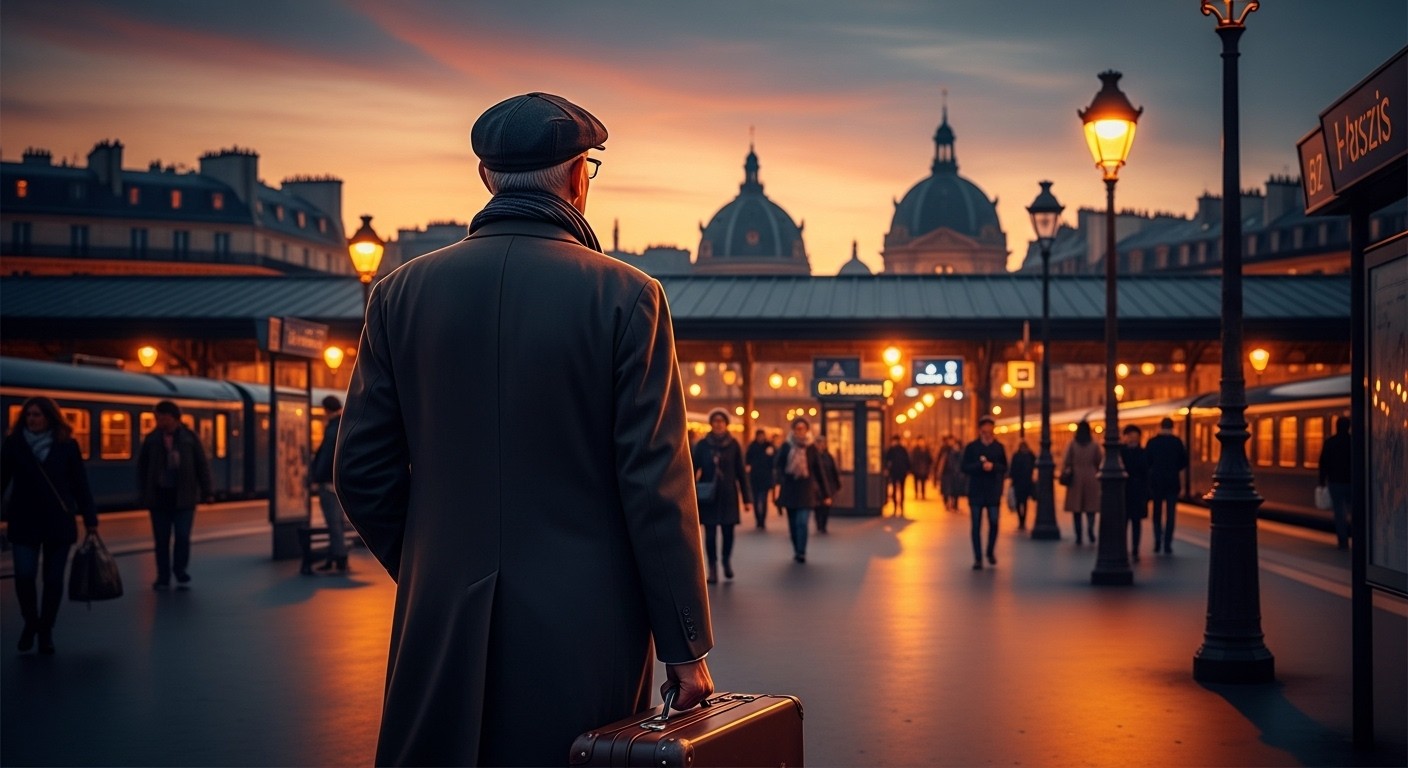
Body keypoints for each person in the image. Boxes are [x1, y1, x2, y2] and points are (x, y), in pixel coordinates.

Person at [334, 92, 713, 766]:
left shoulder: (399, 293)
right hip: (587, 624)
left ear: (486, 178)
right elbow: (655, 485)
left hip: (441, 616)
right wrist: (684, 646)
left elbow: (360, 470)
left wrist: (435, 566)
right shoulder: (628, 297)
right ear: (576, 177)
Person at [1, 397, 98, 655]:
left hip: (58, 521)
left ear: (50, 418)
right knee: (23, 576)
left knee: (53, 580)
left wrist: (91, 520)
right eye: (29, 415)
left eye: (37, 415)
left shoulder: (67, 445)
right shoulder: (14, 444)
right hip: (24, 520)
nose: (32, 419)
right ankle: (31, 622)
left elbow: (80, 484)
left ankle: (46, 631)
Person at [137, 400, 211, 591]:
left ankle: (179, 570)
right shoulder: (152, 439)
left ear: (173, 417)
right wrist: (143, 493)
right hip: (159, 498)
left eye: (162, 417)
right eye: (157, 417)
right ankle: (163, 575)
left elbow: (201, 465)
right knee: (161, 540)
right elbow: (142, 468)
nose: (159, 421)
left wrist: (207, 491)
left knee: (182, 536)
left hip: (184, 497)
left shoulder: (189, 438)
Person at [693, 408, 749, 583]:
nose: (718, 424)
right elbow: (693, 469)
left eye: (721, 421)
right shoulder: (702, 445)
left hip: (728, 494)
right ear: (711, 424)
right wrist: (689, 495)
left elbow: (741, 472)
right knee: (710, 533)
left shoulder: (733, 444)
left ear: (726, 424)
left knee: (728, 531)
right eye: (715, 421)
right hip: (708, 495)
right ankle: (713, 568)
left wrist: (747, 499)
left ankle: (726, 560)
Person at [308, 395, 348, 574]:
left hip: (328, 484)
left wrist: (317, 478)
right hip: (338, 482)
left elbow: (326, 457)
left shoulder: (333, 428)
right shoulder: (344, 422)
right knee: (337, 521)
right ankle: (335, 557)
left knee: (333, 522)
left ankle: (338, 558)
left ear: (327, 409)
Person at [962, 416, 1008, 569]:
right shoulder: (972, 447)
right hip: (976, 491)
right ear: (980, 432)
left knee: (994, 522)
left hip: (993, 491)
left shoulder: (998, 448)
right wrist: (980, 466)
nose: (987, 435)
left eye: (990, 432)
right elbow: (964, 467)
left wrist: (993, 466)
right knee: (976, 525)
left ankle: (989, 551)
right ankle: (978, 557)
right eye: (984, 432)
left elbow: (1004, 467)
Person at [775, 416, 823, 563]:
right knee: (793, 524)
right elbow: (778, 465)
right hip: (790, 489)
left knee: (802, 522)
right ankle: (796, 548)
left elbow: (819, 470)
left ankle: (801, 551)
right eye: (797, 428)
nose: (800, 431)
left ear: (807, 430)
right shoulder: (786, 446)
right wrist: (779, 482)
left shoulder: (812, 448)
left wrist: (826, 493)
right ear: (793, 430)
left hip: (806, 491)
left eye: (802, 428)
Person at [1145, 416, 1189, 555]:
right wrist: (1173, 468)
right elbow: (1184, 461)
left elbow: (1147, 461)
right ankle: (1168, 543)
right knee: (1171, 515)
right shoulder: (1177, 442)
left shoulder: (1152, 442)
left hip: (1156, 482)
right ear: (1172, 428)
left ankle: (1157, 540)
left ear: (1160, 427)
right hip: (1172, 482)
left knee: (1157, 513)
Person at [1061, 420, 1102, 545]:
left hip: (1076, 479)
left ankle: (1078, 534)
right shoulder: (1094, 445)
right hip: (1091, 477)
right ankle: (1090, 529)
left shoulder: (1072, 444)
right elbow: (1099, 461)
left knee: (1076, 509)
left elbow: (1067, 461)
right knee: (1091, 508)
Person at [1318, 415, 1352, 550]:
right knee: (1354, 511)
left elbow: (1323, 462)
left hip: (1335, 482)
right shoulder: (1353, 442)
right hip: (1351, 482)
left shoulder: (1330, 442)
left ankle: (1342, 541)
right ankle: (1358, 538)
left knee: (1339, 512)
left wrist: (1322, 481)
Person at [1120, 425, 1150, 561]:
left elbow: (1147, 473)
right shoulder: (1120, 452)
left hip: (1136, 491)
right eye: (1130, 436)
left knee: (1136, 522)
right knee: (1124, 521)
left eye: (1135, 436)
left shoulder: (1143, 452)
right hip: (1126, 492)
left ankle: (1135, 548)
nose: (1133, 439)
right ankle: (1123, 547)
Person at [744, 428, 776, 530]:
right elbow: (747, 460)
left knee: (764, 499)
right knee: (756, 499)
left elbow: (775, 460)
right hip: (755, 477)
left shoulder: (769, 446)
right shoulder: (752, 447)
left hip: (766, 476)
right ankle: (758, 519)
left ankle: (762, 520)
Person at [813, 433, 842, 534]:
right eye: (819, 443)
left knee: (826, 505)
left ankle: (823, 524)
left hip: (828, 484)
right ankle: (819, 523)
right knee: (817, 505)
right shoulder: (812, 456)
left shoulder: (828, 457)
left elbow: (833, 470)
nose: (821, 445)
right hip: (816, 486)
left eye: (823, 443)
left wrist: (837, 483)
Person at [1007, 440, 1036, 530]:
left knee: (1019, 502)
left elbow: (1012, 469)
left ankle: (1021, 521)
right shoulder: (1030, 455)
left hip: (1018, 482)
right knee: (1024, 502)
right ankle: (1023, 520)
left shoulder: (1017, 455)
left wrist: (1011, 480)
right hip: (1026, 482)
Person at [883, 435, 911, 517]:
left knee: (896, 489)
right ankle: (900, 507)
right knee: (901, 489)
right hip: (901, 472)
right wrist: (908, 470)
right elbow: (907, 460)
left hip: (895, 472)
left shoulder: (891, 450)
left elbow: (887, 460)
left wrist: (887, 469)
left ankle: (896, 507)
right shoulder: (903, 449)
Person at [939, 435, 966, 512]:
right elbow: (940, 461)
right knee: (947, 490)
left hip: (955, 474)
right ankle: (947, 503)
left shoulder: (958, 451)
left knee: (955, 490)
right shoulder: (945, 449)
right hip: (946, 473)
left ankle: (954, 505)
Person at [910, 437, 934, 501]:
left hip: (924, 469)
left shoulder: (926, 450)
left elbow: (930, 459)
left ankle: (923, 494)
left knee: (923, 483)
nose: (921, 442)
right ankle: (916, 494)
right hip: (916, 469)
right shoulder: (915, 450)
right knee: (916, 482)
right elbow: (912, 459)